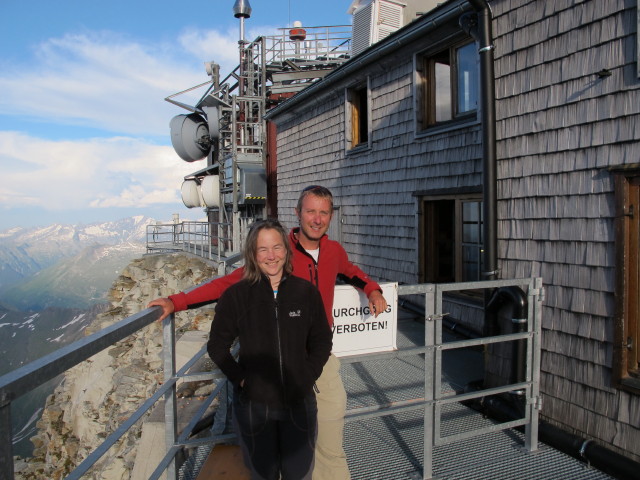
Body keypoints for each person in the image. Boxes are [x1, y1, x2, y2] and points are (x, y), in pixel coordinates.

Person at [149, 185, 388, 480]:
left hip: (316, 360)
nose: (317, 219)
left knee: (329, 441)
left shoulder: (333, 250)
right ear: (297, 213)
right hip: (273, 365)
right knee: (277, 454)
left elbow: (351, 270)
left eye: (323, 212)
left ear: (330, 216)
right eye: (310, 211)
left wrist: (372, 289)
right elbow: (227, 285)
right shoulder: (279, 251)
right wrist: (177, 301)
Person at [208, 219, 332, 479]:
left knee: (298, 475)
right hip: (255, 407)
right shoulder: (237, 296)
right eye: (263, 249)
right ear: (252, 254)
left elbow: (322, 339)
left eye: (277, 247)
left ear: (286, 250)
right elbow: (217, 346)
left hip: (299, 403)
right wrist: (242, 380)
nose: (271, 256)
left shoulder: (305, 292)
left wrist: (307, 374)